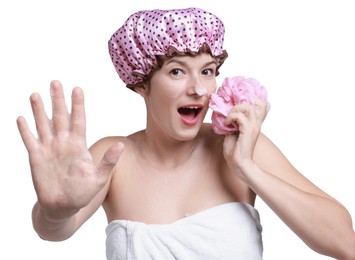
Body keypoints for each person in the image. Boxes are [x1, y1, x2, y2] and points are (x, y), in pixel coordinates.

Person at [16, 7, 355, 260]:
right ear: (141, 84)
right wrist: (55, 210)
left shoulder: (240, 147)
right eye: (177, 71)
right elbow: (54, 230)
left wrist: (247, 168)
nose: (198, 89)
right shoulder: (114, 158)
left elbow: (345, 243)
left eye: (207, 71)